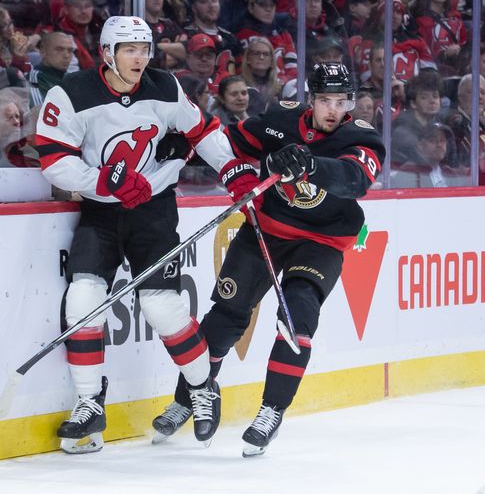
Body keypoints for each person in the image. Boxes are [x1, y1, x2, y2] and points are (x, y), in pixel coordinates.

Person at [35, 16, 260, 454]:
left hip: (153, 209)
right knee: (83, 298)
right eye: (130, 49)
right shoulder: (71, 93)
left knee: (161, 306)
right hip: (102, 211)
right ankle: (88, 404)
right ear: (107, 53)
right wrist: (105, 183)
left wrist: (232, 169)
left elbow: (203, 130)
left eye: (145, 49)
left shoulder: (165, 86)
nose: (141, 58)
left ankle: (202, 388)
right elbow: (53, 157)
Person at [152, 63, 385, 457]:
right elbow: (228, 141)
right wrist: (185, 148)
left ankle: (271, 411)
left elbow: (355, 179)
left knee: (297, 316)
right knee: (226, 314)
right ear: (311, 98)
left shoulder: (361, 137)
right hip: (267, 229)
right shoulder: (281, 119)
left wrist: (310, 164)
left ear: (351, 103)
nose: (332, 109)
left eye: (341, 101)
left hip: (321, 242)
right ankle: (189, 398)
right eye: (325, 100)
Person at [27, 31, 74, 107]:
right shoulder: (35, 79)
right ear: (43, 52)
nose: (66, 55)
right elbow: (38, 114)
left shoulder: (72, 79)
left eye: (70, 51)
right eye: (59, 49)